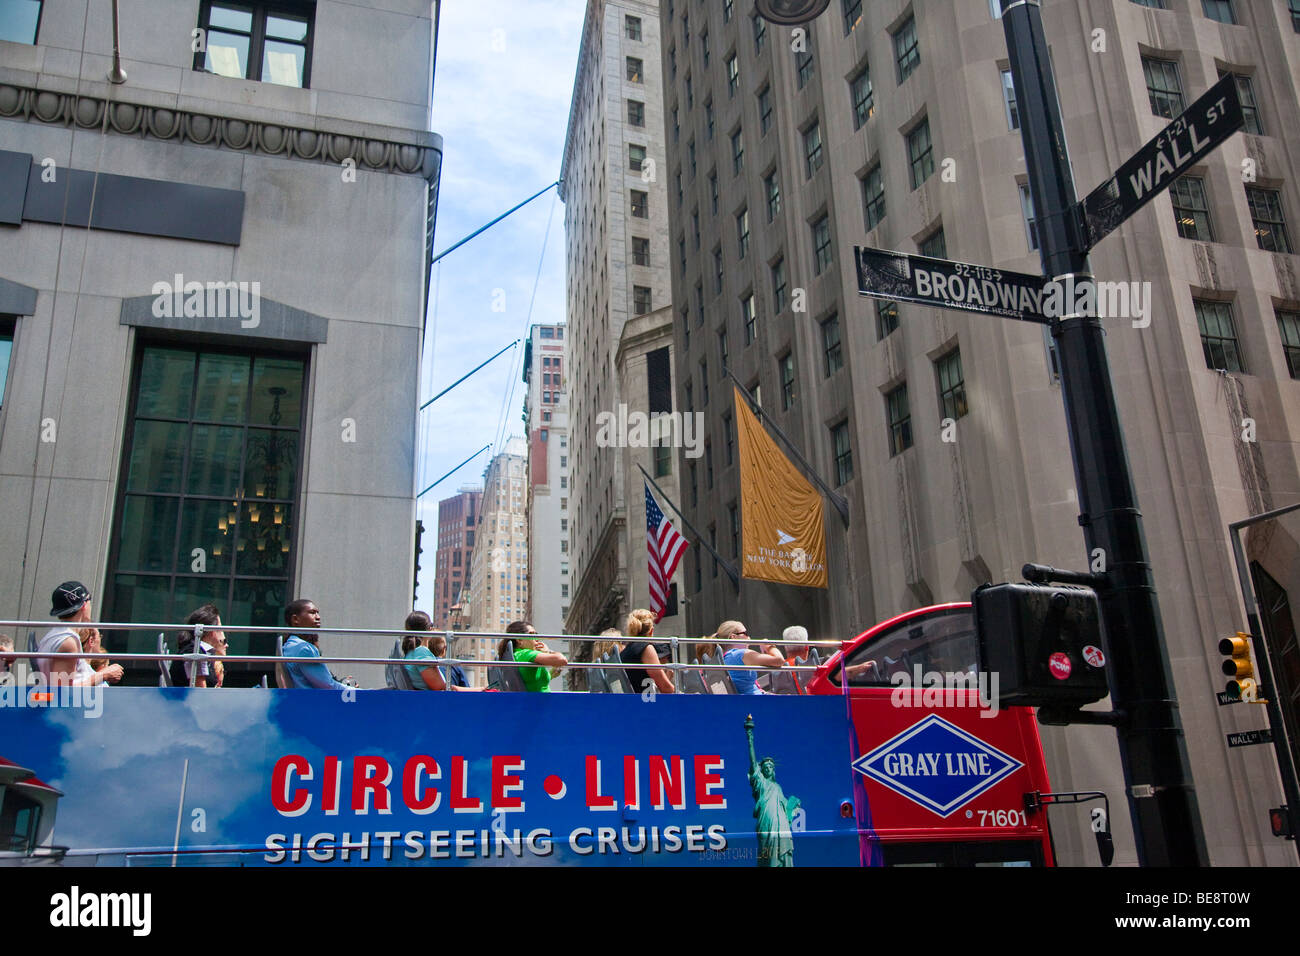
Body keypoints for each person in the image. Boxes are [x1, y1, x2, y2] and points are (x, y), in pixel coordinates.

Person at [37, 582, 123, 687]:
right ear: (84, 605)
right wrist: (104, 674)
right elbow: (63, 692)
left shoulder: (59, 635)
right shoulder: (67, 641)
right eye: (90, 599)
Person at [281, 599, 352, 690]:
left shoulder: (291, 644)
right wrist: (365, 693)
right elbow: (329, 686)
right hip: (315, 701)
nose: (318, 617)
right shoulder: (303, 649)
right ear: (295, 619)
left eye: (318, 613)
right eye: (312, 612)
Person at [717, 620, 784, 696]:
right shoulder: (740, 654)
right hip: (755, 702)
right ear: (734, 637)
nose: (749, 637)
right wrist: (769, 646)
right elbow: (779, 660)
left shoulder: (727, 657)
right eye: (745, 633)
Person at [169, 605, 228, 688]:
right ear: (213, 631)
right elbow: (200, 693)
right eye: (220, 628)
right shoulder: (194, 652)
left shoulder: (197, 651)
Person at [619, 608, 675, 695]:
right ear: (651, 631)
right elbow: (666, 688)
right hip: (645, 703)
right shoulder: (646, 648)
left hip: (634, 702)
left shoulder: (624, 652)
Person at [501, 620, 566, 692]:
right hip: (542, 701)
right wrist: (548, 652)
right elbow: (562, 660)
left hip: (538, 700)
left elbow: (530, 681)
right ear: (519, 639)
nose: (536, 638)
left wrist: (550, 675)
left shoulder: (517, 655)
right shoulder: (526, 653)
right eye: (532, 634)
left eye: (536, 634)